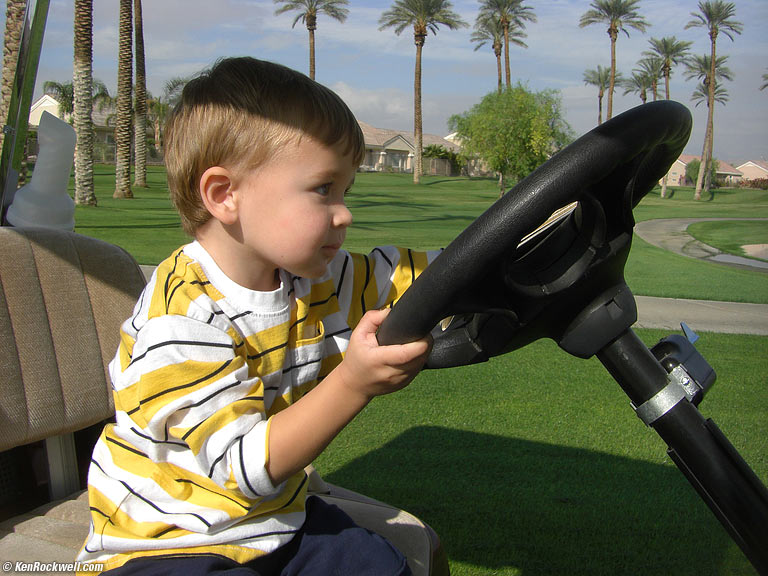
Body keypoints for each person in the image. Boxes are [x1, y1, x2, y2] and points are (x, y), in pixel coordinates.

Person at [76, 57, 437, 575]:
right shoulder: (182, 320)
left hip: (270, 521)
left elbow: (419, 275)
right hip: (169, 542)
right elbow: (241, 469)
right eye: (323, 189)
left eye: (345, 190)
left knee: (385, 568)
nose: (345, 212)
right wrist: (354, 383)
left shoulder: (315, 277)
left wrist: (509, 249)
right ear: (225, 196)